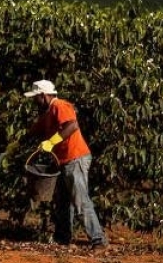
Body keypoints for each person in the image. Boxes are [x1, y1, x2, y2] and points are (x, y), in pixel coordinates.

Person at [24, 80, 107, 251]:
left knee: (80, 199)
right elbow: (34, 131)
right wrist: (17, 144)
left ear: (43, 96)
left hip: (75, 157)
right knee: (62, 201)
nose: (34, 102)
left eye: (36, 98)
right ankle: (63, 237)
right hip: (63, 161)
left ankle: (98, 239)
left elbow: (72, 125)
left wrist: (52, 141)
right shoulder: (47, 113)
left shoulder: (59, 105)